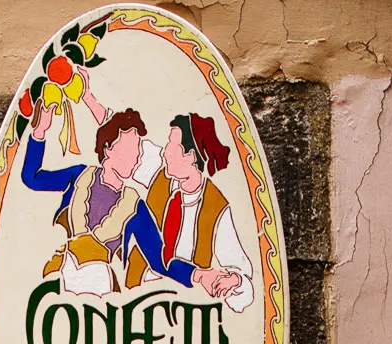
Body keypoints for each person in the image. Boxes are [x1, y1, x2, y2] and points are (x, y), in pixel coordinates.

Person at [122, 112, 254, 310]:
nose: (165, 152)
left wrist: (234, 280)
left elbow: (242, 274)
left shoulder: (216, 209)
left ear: (191, 156)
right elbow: (121, 136)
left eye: (171, 145)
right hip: (134, 299)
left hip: (181, 312)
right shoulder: (160, 176)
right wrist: (86, 98)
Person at [21, 95, 150, 297]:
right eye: (130, 149)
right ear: (108, 149)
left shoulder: (135, 205)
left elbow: (159, 260)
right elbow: (32, 179)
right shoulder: (79, 176)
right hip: (66, 273)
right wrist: (40, 132)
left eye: (138, 150)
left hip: (102, 288)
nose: (137, 156)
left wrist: (195, 274)